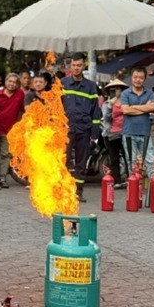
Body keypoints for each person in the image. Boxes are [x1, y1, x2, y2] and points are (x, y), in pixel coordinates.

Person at [61, 53, 101, 202]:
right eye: (74, 65)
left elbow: (95, 111)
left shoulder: (90, 87)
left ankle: (78, 192)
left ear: (83, 66)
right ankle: (64, 191)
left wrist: (95, 134)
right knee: (63, 161)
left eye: (79, 65)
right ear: (70, 66)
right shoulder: (63, 83)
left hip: (84, 130)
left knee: (81, 162)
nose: (76, 68)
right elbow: (57, 106)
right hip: (66, 130)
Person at [121, 66, 154, 178]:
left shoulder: (149, 93)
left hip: (145, 133)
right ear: (131, 78)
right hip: (129, 133)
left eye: (141, 78)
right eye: (135, 77)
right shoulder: (125, 93)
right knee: (132, 162)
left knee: (150, 161)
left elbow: (151, 108)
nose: (138, 80)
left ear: (144, 79)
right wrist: (144, 107)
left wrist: (133, 107)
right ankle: (134, 188)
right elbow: (125, 110)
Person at [0, 73, 25, 188]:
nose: (12, 84)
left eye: (14, 82)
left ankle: (2, 178)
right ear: (5, 82)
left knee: (5, 154)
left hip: (10, 131)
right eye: (10, 81)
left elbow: (23, 110)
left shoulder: (20, 94)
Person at [101, 78, 128, 189]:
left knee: (128, 157)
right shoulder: (107, 104)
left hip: (125, 132)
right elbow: (106, 119)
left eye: (118, 88)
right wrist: (110, 106)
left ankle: (130, 179)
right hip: (111, 133)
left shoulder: (127, 102)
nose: (117, 91)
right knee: (114, 158)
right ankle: (117, 180)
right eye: (114, 89)